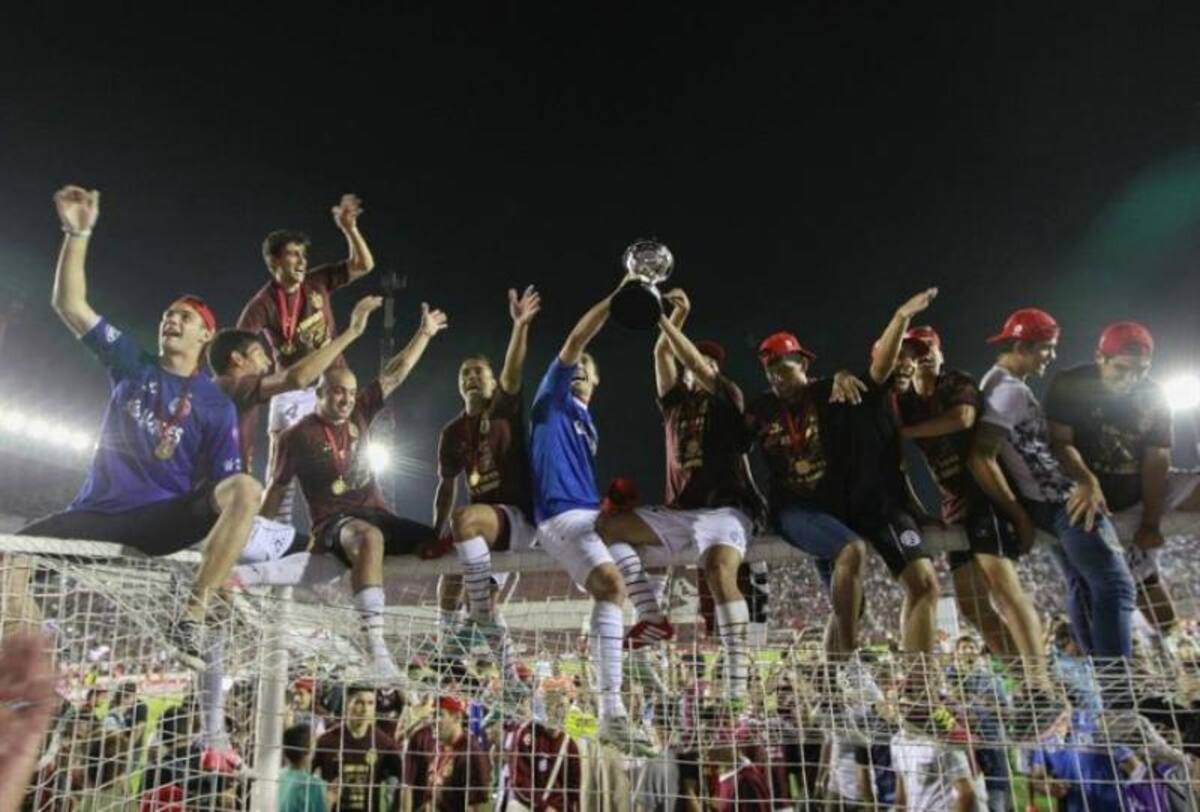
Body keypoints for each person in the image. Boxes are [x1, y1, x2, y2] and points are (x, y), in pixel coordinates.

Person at [21, 185, 261, 668]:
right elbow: (70, 304)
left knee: (246, 490)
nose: (172, 320)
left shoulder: (216, 405)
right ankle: (29, 666)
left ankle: (191, 616)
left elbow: (222, 492)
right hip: (98, 513)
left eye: (185, 316)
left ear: (205, 334)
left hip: (159, 520)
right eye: (169, 314)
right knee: (11, 556)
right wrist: (78, 233)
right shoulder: (133, 363)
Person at [745, 288, 940, 659]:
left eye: (784, 370)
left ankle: (830, 684)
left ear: (803, 364)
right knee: (851, 555)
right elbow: (734, 450)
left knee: (852, 605)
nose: (778, 381)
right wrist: (752, 502)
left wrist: (900, 318)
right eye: (770, 374)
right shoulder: (761, 409)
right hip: (796, 512)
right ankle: (850, 659)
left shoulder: (829, 393)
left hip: (832, 508)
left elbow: (877, 373)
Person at [262, 302, 449, 678]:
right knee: (369, 538)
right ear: (319, 394)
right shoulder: (296, 436)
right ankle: (375, 650)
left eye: (349, 392)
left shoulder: (361, 410)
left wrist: (424, 333)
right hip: (334, 523)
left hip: (377, 514)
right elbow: (276, 490)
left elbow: (394, 376)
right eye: (336, 392)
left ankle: (460, 634)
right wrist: (253, 537)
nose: (346, 398)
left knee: (444, 542)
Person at [595, 288, 759, 710]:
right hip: (680, 513)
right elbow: (661, 358)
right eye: (694, 361)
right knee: (608, 526)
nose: (697, 366)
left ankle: (737, 686)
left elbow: (689, 362)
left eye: (707, 362)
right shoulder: (674, 404)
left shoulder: (728, 397)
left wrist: (665, 321)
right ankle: (651, 616)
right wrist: (671, 318)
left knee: (720, 572)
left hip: (724, 509)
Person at [893, 326, 1058, 711]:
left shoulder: (957, 382)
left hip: (986, 496)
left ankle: (1040, 682)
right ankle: (1025, 687)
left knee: (1002, 584)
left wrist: (906, 432)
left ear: (940, 351)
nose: (921, 357)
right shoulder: (904, 400)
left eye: (927, 349)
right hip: (954, 504)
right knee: (971, 607)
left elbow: (964, 418)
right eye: (913, 351)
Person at [967, 308, 1136, 668]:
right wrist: (1018, 514)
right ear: (1021, 346)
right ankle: (1120, 690)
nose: (1052, 355)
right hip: (1060, 501)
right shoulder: (1008, 391)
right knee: (1115, 587)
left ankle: (1108, 687)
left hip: (1049, 501)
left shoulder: (1000, 384)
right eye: (1046, 347)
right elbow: (981, 456)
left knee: (1082, 584)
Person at [527, 277, 653, 754]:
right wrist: (620, 292)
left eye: (586, 369)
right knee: (610, 585)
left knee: (660, 534)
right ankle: (612, 711)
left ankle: (648, 626)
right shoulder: (553, 399)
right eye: (573, 368)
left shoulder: (587, 419)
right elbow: (576, 341)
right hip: (561, 516)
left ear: (597, 381)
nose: (578, 369)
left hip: (589, 514)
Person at [1044, 320, 1200, 643]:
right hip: (1089, 498)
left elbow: (1157, 460)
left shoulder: (1153, 395)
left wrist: (1152, 520)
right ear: (1100, 357)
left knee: (1141, 572)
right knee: (1129, 579)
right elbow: (1060, 443)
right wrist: (1086, 481)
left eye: (1141, 370)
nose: (1131, 379)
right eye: (1122, 369)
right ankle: (1156, 653)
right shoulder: (1071, 385)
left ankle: (1179, 652)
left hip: (1140, 488)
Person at [238, 194, 376, 523]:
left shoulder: (316, 282)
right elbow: (238, 347)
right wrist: (254, 371)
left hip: (332, 386)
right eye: (292, 255)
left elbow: (364, 265)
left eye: (303, 255)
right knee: (279, 471)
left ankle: (356, 524)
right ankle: (271, 538)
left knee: (353, 460)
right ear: (273, 262)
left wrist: (350, 229)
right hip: (292, 390)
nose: (301, 261)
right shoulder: (261, 304)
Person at [433, 286, 541, 652]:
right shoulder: (451, 432)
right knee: (448, 579)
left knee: (463, 520)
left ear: (492, 382)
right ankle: (460, 657)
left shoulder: (502, 408)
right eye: (465, 373)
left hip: (516, 518)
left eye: (479, 372)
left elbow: (513, 371)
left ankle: (474, 614)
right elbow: (446, 485)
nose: (471, 377)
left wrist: (520, 327)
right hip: (485, 526)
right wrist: (435, 534)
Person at [313, 686, 403, 812]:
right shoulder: (327, 741)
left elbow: (406, 779)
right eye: (359, 702)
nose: (365, 709)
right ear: (346, 704)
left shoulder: (384, 743)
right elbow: (305, 777)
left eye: (370, 703)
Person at [279, 723, 330, 812]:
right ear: (309, 749)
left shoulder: (277, 775)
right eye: (314, 742)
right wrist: (330, 800)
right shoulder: (314, 785)